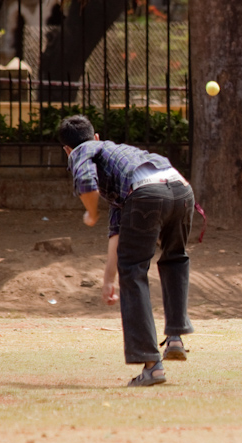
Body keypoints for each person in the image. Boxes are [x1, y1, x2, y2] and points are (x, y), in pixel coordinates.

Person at [59, 115, 195, 386]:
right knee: (174, 258)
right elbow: (118, 232)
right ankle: (176, 337)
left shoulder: (81, 151)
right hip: (180, 189)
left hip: (146, 194)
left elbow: (86, 184)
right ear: (96, 135)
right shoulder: (120, 156)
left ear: (67, 150)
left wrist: (91, 212)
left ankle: (152, 365)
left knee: (133, 274)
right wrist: (109, 279)